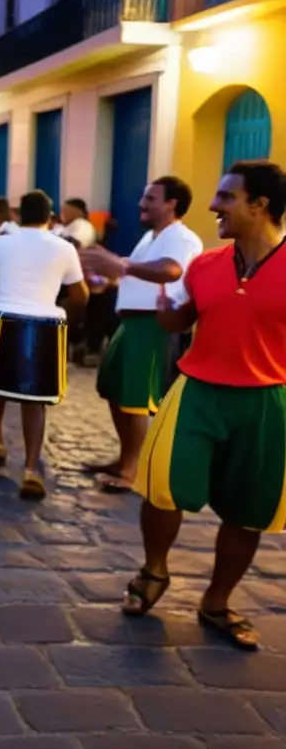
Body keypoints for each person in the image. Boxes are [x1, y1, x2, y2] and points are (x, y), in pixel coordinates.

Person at [126, 160, 286, 650]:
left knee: (248, 510)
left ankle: (216, 601)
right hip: (196, 392)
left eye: (226, 197)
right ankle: (154, 571)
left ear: (259, 205)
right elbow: (183, 322)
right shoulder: (206, 265)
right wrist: (169, 314)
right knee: (162, 487)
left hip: (266, 401)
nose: (214, 206)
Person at [80, 177, 203, 491]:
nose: (141, 204)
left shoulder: (181, 237)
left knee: (135, 395)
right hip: (130, 322)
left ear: (171, 203)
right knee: (114, 389)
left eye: (150, 198)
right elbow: (134, 275)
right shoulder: (150, 237)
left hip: (152, 324)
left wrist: (119, 263)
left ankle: (132, 470)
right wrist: (104, 279)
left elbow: (170, 270)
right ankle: (125, 458)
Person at [0, 190, 89, 498]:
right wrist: (57, 306)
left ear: (18, 216)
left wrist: (5, 284)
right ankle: (31, 469)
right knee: (34, 400)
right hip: (44, 325)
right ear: (51, 218)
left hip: (3, 317)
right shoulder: (64, 248)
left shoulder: (2, 243)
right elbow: (81, 296)